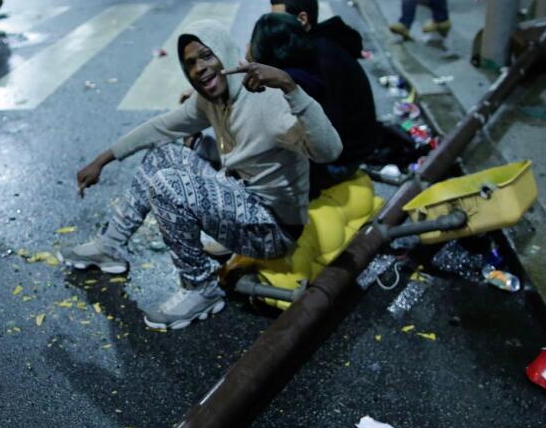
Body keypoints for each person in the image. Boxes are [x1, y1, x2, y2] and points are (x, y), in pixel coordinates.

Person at [63, 20, 341, 330]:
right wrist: (102, 160)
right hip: (239, 198)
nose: (199, 68)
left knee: (168, 186)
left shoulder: (267, 101)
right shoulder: (210, 100)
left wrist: (290, 87)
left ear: (225, 53)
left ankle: (200, 289)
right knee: (163, 154)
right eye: (191, 63)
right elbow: (161, 127)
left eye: (207, 56)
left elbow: (330, 151)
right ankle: (111, 245)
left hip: (273, 228)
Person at [269, 0, 383, 191]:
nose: (274, 26)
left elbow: (328, 134)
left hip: (342, 161)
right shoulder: (315, 45)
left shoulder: (322, 56)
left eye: (279, 20)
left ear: (302, 19)